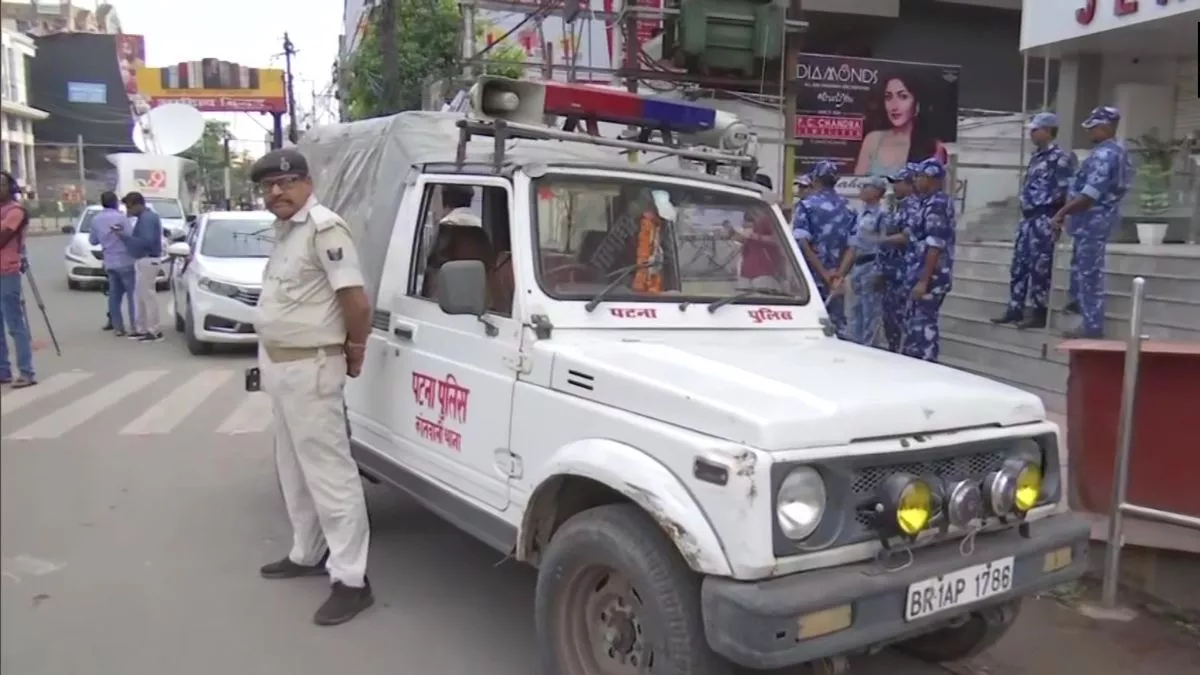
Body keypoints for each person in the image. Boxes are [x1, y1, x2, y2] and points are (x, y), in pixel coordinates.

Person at [251, 148, 375, 626]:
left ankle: (351, 580)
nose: (276, 192)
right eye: (268, 186)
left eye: (287, 182)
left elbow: (355, 303)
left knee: (330, 475)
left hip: (312, 367)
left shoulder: (325, 229)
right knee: (293, 469)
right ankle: (307, 551)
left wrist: (356, 349)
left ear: (307, 183)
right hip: (281, 366)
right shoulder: (286, 233)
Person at [1053, 106, 1132, 339]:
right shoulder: (1117, 151)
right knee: (1081, 271)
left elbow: (1089, 196)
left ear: (1105, 127)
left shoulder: (1105, 154)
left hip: (1093, 219)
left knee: (1088, 274)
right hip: (1090, 220)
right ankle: (1081, 320)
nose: (1090, 132)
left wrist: (1061, 213)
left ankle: (1092, 328)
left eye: (1093, 127)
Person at [994, 112, 1076, 329]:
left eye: (1035, 130)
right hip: (1028, 217)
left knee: (1040, 267)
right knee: (1019, 265)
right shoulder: (1036, 157)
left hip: (1045, 216)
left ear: (1048, 131)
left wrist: (1059, 218)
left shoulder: (1060, 158)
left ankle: (1039, 311)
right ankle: (1015, 308)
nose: (1031, 134)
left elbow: (1065, 190)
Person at [792, 160, 855, 336]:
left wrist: (824, 274)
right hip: (837, 278)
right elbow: (853, 246)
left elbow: (802, 243)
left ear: (815, 180)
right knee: (836, 326)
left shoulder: (806, 205)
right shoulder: (848, 207)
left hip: (810, 277)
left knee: (810, 327)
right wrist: (839, 275)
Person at [902, 157, 956, 361]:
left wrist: (924, 281)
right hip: (918, 273)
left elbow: (935, 245)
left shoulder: (938, 204)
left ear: (932, 179)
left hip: (931, 278)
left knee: (924, 329)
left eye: (921, 176)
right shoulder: (926, 202)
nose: (916, 180)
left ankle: (928, 365)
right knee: (914, 329)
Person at [853, 73, 950, 177]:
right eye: (888, 97)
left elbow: (933, 185)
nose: (894, 106)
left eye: (903, 96)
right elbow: (856, 183)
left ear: (917, 104)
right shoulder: (873, 139)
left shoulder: (933, 146)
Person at [837, 175, 891, 346]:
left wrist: (880, 271)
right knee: (855, 312)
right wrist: (841, 273)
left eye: (866, 186)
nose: (862, 190)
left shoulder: (883, 215)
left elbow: (885, 245)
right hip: (857, 267)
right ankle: (857, 347)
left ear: (877, 192)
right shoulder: (859, 214)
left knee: (870, 315)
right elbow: (853, 245)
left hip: (872, 265)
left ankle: (869, 349)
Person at [0, 170, 36, 388]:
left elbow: (2, 238)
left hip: (7, 271)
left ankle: (26, 371)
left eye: (2, 184)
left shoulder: (16, 211)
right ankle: (3, 371)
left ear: (11, 188)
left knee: (15, 324)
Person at [880, 163, 919, 351]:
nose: (894, 186)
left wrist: (882, 239)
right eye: (893, 182)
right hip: (891, 272)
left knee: (900, 320)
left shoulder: (913, 206)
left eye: (898, 182)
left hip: (903, 273)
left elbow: (908, 236)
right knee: (889, 320)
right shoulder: (898, 206)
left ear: (910, 183)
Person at [91, 191, 139, 337]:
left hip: (110, 261)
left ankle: (118, 327)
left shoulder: (96, 220)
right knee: (132, 296)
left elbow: (93, 241)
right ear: (116, 203)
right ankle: (134, 326)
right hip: (126, 260)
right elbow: (130, 236)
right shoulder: (122, 218)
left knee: (114, 296)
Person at [119, 192, 164, 342]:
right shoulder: (145, 218)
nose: (129, 211)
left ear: (137, 204)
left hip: (148, 259)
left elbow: (145, 241)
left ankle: (154, 330)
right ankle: (142, 328)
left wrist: (125, 237)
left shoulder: (147, 219)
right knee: (140, 297)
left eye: (129, 207)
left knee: (147, 296)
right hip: (144, 260)